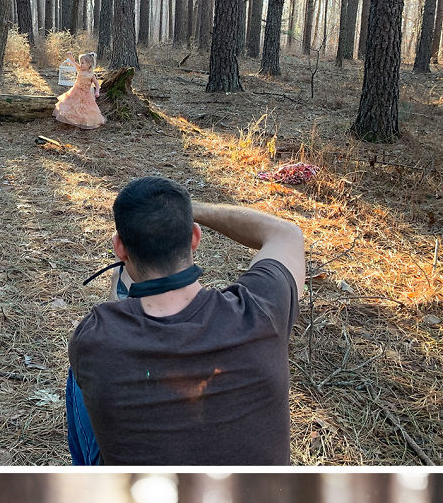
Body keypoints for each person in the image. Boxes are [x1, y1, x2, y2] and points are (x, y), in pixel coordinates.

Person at [66, 176, 305, 465]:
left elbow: (126, 344)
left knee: (79, 382)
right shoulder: (262, 308)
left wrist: (128, 301)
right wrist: (191, 209)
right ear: (194, 237)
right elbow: (287, 234)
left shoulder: (94, 338)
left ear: (120, 248)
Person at [53, 52, 107, 129]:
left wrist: (97, 91)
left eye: (82, 63)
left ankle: (82, 121)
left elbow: (97, 84)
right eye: (80, 63)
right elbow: (74, 63)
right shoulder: (80, 69)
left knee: (84, 108)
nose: (80, 65)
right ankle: (71, 120)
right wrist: (71, 57)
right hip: (75, 91)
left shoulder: (91, 74)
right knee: (72, 105)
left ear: (89, 64)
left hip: (86, 94)